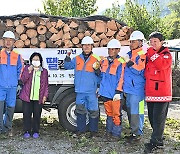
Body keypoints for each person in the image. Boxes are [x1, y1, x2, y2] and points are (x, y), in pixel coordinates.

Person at [64, 36, 101, 138]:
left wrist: (99, 84)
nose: (86, 47)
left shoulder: (97, 59)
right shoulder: (77, 59)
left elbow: (102, 75)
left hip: (92, 91)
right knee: (80, 110)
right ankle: (81, 130)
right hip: (80, 90)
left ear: (92, 47)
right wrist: (67, 57)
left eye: (88, 45)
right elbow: (67, 66)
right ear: (82, 47)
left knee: (93, 111)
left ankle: (93, 132)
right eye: (85, 45)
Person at [144, 32, 172, 153]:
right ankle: (158, 136)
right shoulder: (149, 55)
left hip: (162, 93)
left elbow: (160, 65)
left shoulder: (166, 55)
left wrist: (151, 52)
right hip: (151, 92)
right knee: (151, 117)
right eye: (151, 42)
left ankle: (157, 142)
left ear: (161, 42)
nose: (153, 44)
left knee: (158, 118)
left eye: (155, 41)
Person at [98, 39, 125, 141]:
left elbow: (121, 78)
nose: (110, 51)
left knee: (116, 115)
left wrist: (118, 91)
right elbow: (101, 76)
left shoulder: (121, 62)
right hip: (105, 93)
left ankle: (116, 134)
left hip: (115, 94)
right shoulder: (104, 61)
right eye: (109, 49)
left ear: (118, 50)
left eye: (113, 49)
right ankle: (108, 132)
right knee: (108, 114)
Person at [122, 31, 146, 143]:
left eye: (133, 41)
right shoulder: (130, 53)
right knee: (132, 110)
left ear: (140, 42)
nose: (131, 44)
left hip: (136, 89)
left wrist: (129, 62)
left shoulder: (142, 55)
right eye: (130, 41)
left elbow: (139, 70)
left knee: (136, 111)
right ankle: (135, 130)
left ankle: (137, 134)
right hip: (128, 88)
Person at [19, 52, 48, 139]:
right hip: (27, 97)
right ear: (31, 60)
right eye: (34, 59)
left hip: (38, 97)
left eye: (37, 59)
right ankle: (26, 131)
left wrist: (45, 96)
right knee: (27, 115)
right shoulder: (27, 68)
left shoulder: (44, 71)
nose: (36, 61)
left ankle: (36, 131)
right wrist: (29, 71)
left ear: (40, 61)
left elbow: (46, 85)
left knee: (37, 115)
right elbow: (23, 80)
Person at [0, 31, 22, 136]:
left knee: (11, 107)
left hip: (12, 87)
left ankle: (8, 128)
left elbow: (20, 70)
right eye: (6, 40)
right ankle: (0, 128)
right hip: (1, 86)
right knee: (0, 108)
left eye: (10, 40)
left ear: (14, 42)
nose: (8, 42)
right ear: (3, 41)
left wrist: (18, 82)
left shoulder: (17, 56)